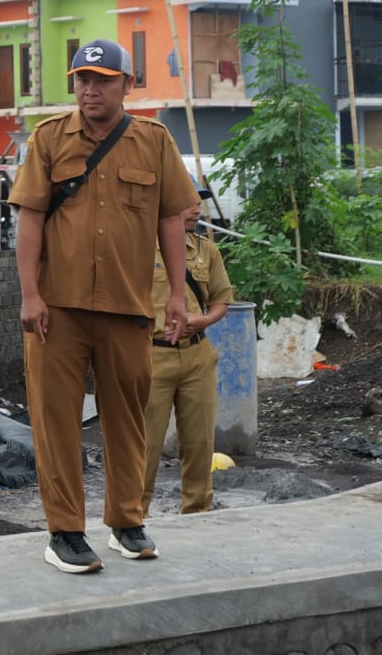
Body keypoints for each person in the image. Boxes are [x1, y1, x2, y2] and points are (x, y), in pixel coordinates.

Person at [8, 39, 197, 574]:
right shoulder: (48, 140)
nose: (90, 89)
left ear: (126, 84)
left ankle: (127, 521)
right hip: (57, 310)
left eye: (102, 79)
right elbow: (29, 220)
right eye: (82, 80)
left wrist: (177, 294)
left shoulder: (154, 142)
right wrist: (29, 294)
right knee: (57, 422)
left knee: (127, 419)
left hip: (128, 306)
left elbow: (170, 222)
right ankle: (65, 532)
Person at [141, 182, 234, 516]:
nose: (197, 209)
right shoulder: (138, 248)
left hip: (198, 355)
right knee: (145, 445)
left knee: (199, 443)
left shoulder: (206, 250)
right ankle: (134, 517)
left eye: (200, 202)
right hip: (152, 355)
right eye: (189, 202)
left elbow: (223, 300)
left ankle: (197, 512)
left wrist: (205, 320)